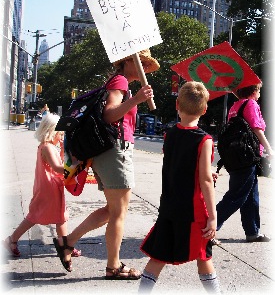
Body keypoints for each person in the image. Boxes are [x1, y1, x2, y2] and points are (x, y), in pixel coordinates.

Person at [53, 49, 160, 278]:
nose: (144, 67)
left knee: (112, 211)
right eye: (141, 62)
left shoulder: (119, 82)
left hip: (111, 151)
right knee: (119, 212)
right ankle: (113, 266)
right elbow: (109, 115)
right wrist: (137, 99)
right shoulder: (120, 81)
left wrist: (135, 97)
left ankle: (68, 242)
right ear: (128, 61)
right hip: (115, 151)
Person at [138, 81, 221, 294]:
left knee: (159, 256)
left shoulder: (170, 134)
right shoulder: (205, 140)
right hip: (193, 210)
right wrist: (212, 216)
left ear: (177, 105)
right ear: (204, 109)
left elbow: (179, 164)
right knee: (204, 255)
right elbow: (204, 181)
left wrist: (202, 171)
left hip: (169, 206)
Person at [2, 113, 81, 258]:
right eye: (60, 133)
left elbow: (60, 161)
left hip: (49, 186)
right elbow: (58, 168)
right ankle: (64, 246)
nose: (62, 136)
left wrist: (63, 148)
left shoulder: (48, 146)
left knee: (56, 216)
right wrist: (75, 167)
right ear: (52, 131)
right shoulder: (47, 147)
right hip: (48, 187)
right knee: (45, 216)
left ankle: (64, 245)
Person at [211, 83, 273, 246]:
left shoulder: (236, 105)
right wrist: (268, 148)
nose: (260, 93)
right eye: (259, 90)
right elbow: (256, 128)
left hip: (236, 155)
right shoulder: (251, 103)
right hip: (247, 155)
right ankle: (207, 229)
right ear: (253, 91)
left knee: (251, 195)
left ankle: (252, 232)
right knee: (236, 195)